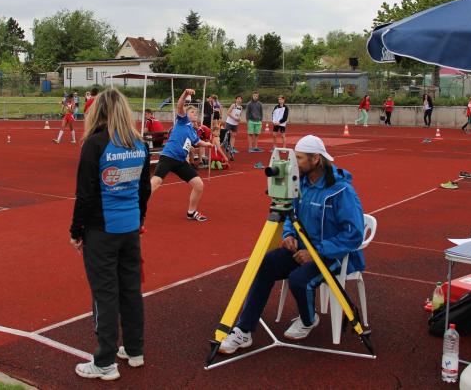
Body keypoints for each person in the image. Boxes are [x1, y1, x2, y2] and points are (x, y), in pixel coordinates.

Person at [219, 135, 365, 353]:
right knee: (265, 264)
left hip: (333, 255)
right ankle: (244, 329)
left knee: (299, 280)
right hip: (301, 249)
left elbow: (354, 234)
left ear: (316, 159)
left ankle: (309, 320)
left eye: (300, 158)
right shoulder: (300, 184)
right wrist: (288, 234)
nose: (295, 163)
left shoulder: (341, 191)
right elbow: (290, 213)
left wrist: (315, 252)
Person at [69, 88, 151, 381]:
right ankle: (134, 350)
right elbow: (144, 189)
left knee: (104, 294)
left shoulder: (95, 143)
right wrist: (139, 218)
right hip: (129, 228)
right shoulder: (139, 143)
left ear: (98, 111)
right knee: (130, 290)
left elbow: (85, 194)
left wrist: (76, 231)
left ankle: (104, 361)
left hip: (102, 230)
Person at [150, 89, 211, 222]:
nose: (195, 114)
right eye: (192, 112)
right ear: (186, 114)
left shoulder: (193, 131)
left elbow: (197, 142)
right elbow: (179, 105)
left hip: (180, 161)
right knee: (156, 182)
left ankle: (191, 212)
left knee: (199, 185)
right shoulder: (183, 121)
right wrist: (185, 94)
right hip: (168, 157)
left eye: (196, 112)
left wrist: (208, 144)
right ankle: (135, 206)